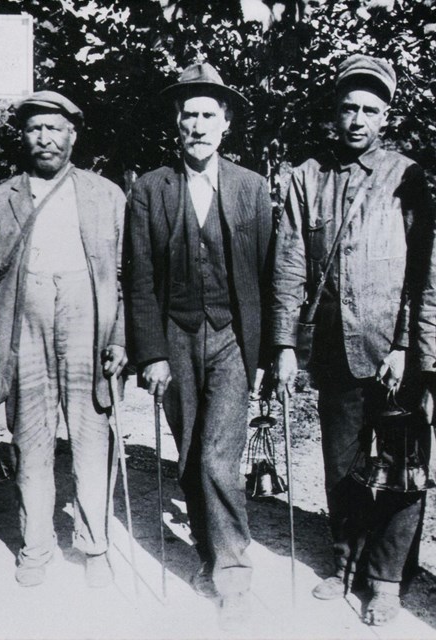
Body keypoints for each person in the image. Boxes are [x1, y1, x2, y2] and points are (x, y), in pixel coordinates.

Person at [271, 54, 435, 626]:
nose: (358, 119)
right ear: (333, 114)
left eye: (370, 109)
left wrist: (403, 347)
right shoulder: (305, 177)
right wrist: (286, 345)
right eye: (348, 108)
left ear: (386, 115)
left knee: (401, 466)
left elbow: (424, 271)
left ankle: (387, 578)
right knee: (341, 463)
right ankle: (343, 559)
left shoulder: (407, 178)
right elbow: (290, 263)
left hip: (395, 354)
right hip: (332, 349)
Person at [0, 91, 127, 589]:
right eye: (35, 129)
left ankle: (94, 545)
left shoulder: (105, 194)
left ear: (73, 135)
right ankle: (36, 546)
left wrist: (119, 338)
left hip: (87, 330)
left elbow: (125, 275)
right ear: (23, 137)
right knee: (30, 442)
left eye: (55, 129)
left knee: (92, 442)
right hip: (23, 330)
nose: (45, 138)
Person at [125, 62, 272, 623]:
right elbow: (138, 277)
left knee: (217, 454)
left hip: (233, 338)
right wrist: (152, 354)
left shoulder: (252, 188)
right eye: (190, 114)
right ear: (177, 123)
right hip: (176, 338)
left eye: (210, 114)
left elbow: (264, 274)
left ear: (226, 123)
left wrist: (273, 349)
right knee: (190, 454)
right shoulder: (150, 188)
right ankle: (210, 554)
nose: (199, 124)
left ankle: (233, 575)